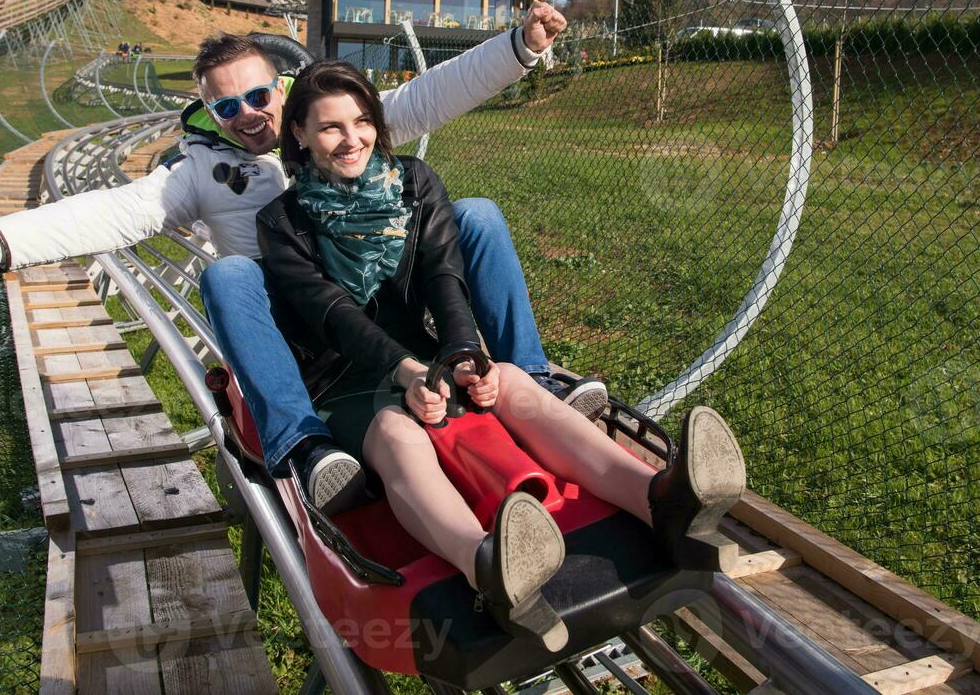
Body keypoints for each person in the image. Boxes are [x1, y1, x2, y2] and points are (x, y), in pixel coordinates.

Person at [0, 6, 606, 511]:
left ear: (281, 88)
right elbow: (112, 210)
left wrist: (519, 46)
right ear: (209, 113)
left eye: (257, 95)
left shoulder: (330, 128)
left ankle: (535, 376)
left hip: (380, 300)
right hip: (301, 326)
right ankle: (303, 443)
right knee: (229, 272)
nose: (248, 114)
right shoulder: (200, 173)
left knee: (477, 214)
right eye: (226, 106)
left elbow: (429, 96)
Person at [255, 60, 746, 651]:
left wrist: (464, 353)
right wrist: (409, 372)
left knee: (512, 380)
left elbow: (442, 272)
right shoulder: (281, 222)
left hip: (426, 359)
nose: (351, 138)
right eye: (330, 127)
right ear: (301, 135)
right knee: (395, 430)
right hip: (346, 380)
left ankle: (656, 499)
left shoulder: (413, 181)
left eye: (362, 121)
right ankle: (484, 561)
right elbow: (330, 311)